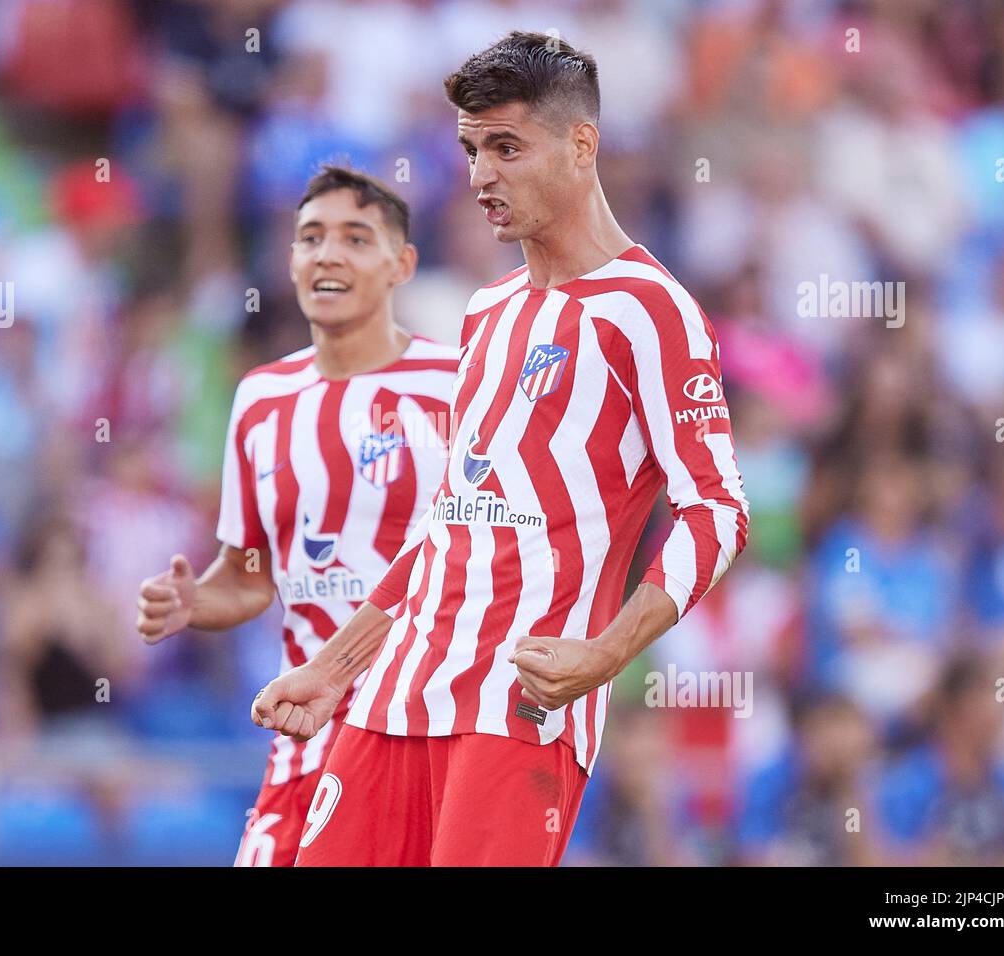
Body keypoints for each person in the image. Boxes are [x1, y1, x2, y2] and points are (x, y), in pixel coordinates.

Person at [252, 32, 751, 867]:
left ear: (581, 144)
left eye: (507, 147)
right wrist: (337, 667)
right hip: (394, 698)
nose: (481, 173)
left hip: (514, 712)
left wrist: (604, 655)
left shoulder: (649, 311)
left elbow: (718, 510)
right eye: (472, 148)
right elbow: (450, 521)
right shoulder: (487, 309)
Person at [135, 166, 458, 866]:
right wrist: (195, 599)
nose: (328, 254)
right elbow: (249, 576)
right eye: (310, 238)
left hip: (421, 731)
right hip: (305, 741)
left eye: (355, 237)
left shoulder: (454, 387)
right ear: (290, 261)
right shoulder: (261, 397)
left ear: (402, 264)